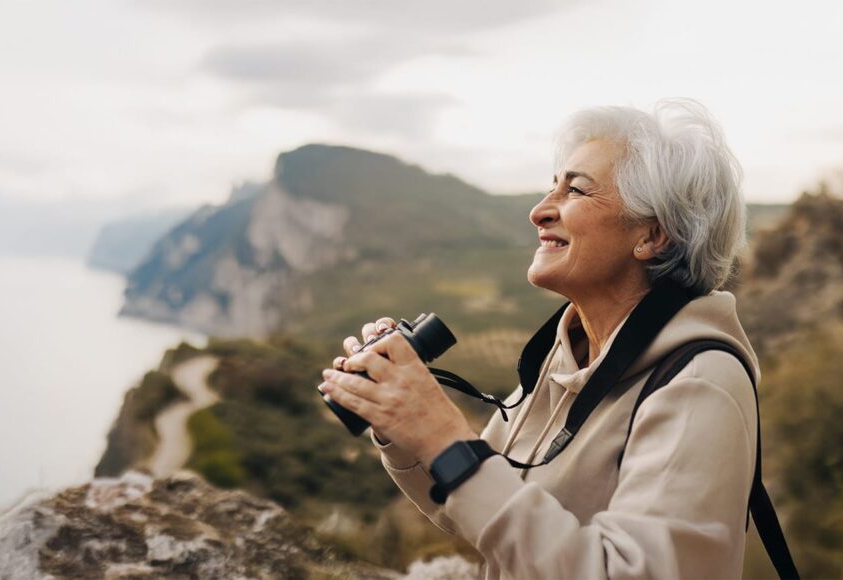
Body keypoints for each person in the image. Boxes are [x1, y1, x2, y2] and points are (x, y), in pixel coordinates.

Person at [318, 99, 763, 579]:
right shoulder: (570, 355)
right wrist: (400, 421)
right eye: (552, 186)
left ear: (653, 236)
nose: (539, 211)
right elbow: (476, 509)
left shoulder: (697, 384)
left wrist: (443, 436)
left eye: (576, 190)